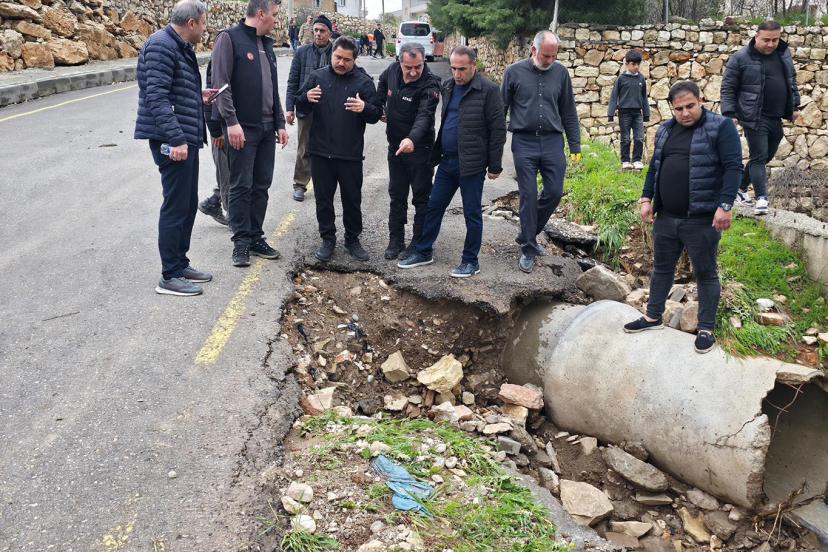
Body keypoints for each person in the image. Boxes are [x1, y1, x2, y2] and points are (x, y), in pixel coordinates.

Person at [623, 81, 742, 354]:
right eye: (679, 109)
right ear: (672, 108)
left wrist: (725, 205)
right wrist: (646, 199)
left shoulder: (721, 127)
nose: (685, 113)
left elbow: (734, 167)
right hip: (666, 216)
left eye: (690, 106)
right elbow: (655, 167)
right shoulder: (665, 130)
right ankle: (653, 317)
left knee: (706, 273)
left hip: (701, 219)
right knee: (662, 268)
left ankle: (706, 328)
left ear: (701, 101)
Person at [398, 45, 506, 278]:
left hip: (472, 164)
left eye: (462, 69)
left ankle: (470, 261)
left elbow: (498, 130)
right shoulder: (448, 86)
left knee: (472, 213)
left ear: (474, 66)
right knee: (434, 206)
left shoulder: (489, 90)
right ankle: (424, 251)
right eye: (453, 68)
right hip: (447, 162)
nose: (457, 74)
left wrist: (495, 165)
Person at [135, 0, 213, 297]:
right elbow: (156, 97)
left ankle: (180, 264)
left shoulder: (178, 46)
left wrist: (196, 94)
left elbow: (172, 89)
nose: (205, 30)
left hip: (184, 136)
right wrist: (176, 139)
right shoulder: (161, 46)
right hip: (173, 139)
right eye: (203, 24)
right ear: (191, 23)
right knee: (176, 205)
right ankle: (169, 276)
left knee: (187, 203)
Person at [211, 0, 289, 268]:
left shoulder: (267, 45)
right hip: (242, 128)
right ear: (261, 14)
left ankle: (256, 237)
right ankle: (241, 242)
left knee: (261, 186)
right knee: (241, 186)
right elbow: (220, 85)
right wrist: (231, 122)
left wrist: (280, 123)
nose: (277, 21)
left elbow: (272, 89)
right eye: (275, 15)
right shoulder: (229, 39)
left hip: (267, 129)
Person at [295, 36, 382, 262]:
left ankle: (352, 240)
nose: (341, 63)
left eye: (347, 59)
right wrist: (306, 98)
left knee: (352, 200)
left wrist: (364, 108)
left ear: (355, 60)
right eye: (338, 57)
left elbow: (376, 114)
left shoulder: (363, 83)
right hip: (320, 153)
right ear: (332, 54)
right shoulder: (317, 77)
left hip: (350, 154)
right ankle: (328, 239)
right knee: (323, 200)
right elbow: (299, 105)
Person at [501, 30, 581, 274]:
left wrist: (575, 146)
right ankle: (528, 247)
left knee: (555, 192)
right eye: (546, 55)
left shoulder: (561, 73)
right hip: (523, 142)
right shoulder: (513, 72)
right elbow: (500, 108)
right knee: (528, 194)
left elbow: (568, 111)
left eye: (554, 56)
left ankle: (528, 232)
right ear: (534, 50)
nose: (550, 60)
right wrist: (493, 146)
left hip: (553, 141)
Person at [721, 20, 800, 216]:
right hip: (753, 116)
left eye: (775, 39)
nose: (771, 44)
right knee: (759, 156)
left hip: (776, 116)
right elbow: (728, 88)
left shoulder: (783, 54)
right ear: (756, 36)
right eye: (766, 40)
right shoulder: (740, 58)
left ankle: (740, 187)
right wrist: (730, 113)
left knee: (766, 156)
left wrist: (794, 107)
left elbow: (791, 81)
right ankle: (761, 198)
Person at [374, 42, 441, 260]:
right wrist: (380, 106)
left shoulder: (430, 84)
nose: (413, 72)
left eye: (418, 67)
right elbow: (381, 85)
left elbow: (425, 116)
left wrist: (412, 139)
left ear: (424, 62)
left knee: (421, 198)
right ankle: (396, 240)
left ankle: (419, 242)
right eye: (408, 67)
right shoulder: (392, 70)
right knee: (397, 195)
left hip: (420, 149)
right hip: (395, 147)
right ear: (399, 62)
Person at [286, 14, 333, 202]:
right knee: (304, 147)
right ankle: (300, 184)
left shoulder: (336, 52)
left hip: (330, 110)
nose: (318, 34)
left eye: (322, 31)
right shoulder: (302, 52)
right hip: (305, 106)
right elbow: (292, 81)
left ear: (329, 33)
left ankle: (325, 184)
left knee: (328, 147)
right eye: (316, 30)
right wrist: (290, 108)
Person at [197, 59, 231, 227]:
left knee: (234, 173)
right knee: (227, 174)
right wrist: (216, 131)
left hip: (238, 126)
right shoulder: (221, 55)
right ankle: (233, 217)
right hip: (222, 129)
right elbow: (212, 96)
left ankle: (213, 202)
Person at [608, 49, 650, 171]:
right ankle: (625, 161)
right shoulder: (621, 79)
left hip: (637, 113)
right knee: (625, 138)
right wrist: (610, 114)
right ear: (626, 64)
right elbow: (614, 96)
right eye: (633, 64)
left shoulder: (641, 79)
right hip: (624, 113)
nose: (636, 67)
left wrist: (646, 114)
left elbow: (644, 97)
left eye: (638, 64)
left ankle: (637, 160)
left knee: (639, 138)